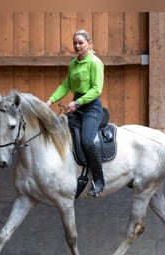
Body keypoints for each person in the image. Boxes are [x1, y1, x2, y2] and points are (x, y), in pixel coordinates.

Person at [46, 29, 105, 197]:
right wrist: (50, 101)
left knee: (87, 141)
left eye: (81, 43)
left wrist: (77, 102)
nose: (77, 46)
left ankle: (99, 179)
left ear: (89, 44)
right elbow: (66, 85)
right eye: (75, 43)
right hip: (76, 106)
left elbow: (97, 89)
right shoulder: (73, 64)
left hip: (91, 108)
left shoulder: (95, 63)